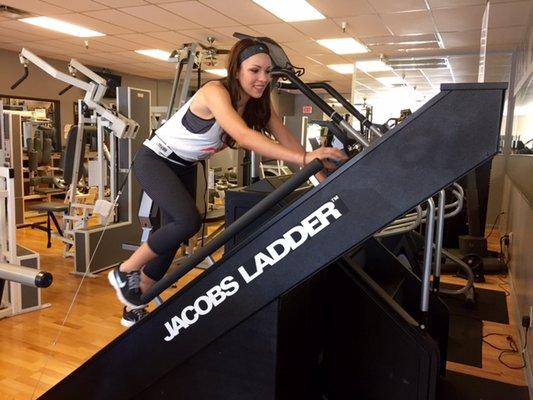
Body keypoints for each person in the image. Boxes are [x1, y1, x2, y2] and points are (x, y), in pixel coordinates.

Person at [108, 38, 348, 327]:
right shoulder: (214, 92)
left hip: (184, 165)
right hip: (155, 159)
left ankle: (134, 303)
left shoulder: (259, 104)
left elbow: (289, 142)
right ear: (236, 71)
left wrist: (322, 181)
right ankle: (125, 271)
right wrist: (309, 156)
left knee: (173, 237)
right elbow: (246, 137)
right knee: (187, 222)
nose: (263, 79)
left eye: (267, 72)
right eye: (255, 71)